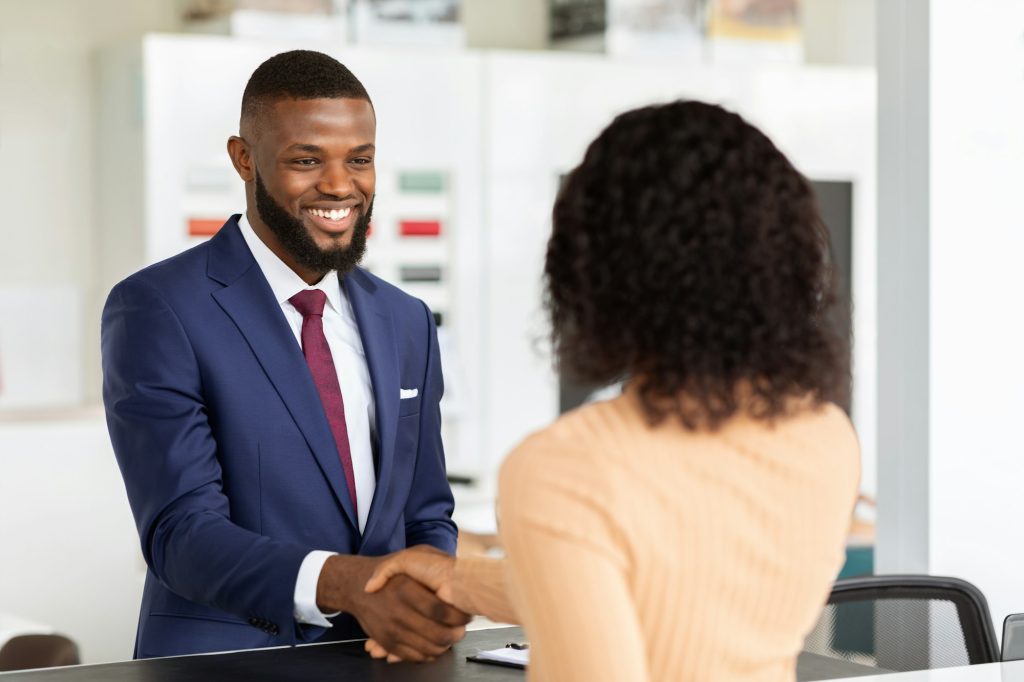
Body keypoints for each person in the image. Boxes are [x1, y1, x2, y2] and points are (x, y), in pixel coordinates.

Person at [362, 101, 861, 681]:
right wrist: (459, 579)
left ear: (592, 265)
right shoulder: (825, 435)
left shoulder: (566, 467)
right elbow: (672, 588)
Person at [101, 50, 469, 660]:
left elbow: (427, 511)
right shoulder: (157, 308)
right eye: (306, 160)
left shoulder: (406, 320)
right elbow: (180, 535)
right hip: (228, 662)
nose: (339, 185)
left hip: (389, 659)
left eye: (360, 159)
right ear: (244, 159)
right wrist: (347, 583)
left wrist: (428, 586)